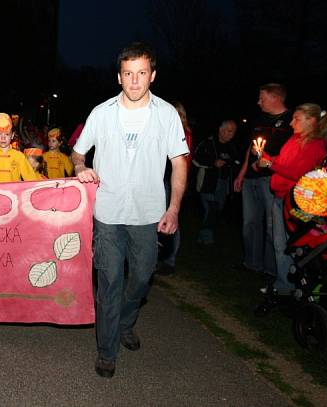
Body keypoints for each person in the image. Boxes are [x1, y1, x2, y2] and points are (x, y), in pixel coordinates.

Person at [72, 42, 189, 378]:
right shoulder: (101, 113)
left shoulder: (166, 115)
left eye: (141, 73)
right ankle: (107, 351)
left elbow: (179, 162)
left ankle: (125, 322)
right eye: (128, 74)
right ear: (118, 77)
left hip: (147, 215)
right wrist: (80, 168)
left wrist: (174, 208)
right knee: (108, 281)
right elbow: (78, 154)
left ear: (152, 75)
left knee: (140, 278)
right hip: (107, 213)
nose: (134, 80)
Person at [257, 103, 327, 298]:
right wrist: (263, 156)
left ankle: (290, 287)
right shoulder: (295, 139)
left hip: (294, 201)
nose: (291, 122)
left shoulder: (315, 146)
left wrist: (271, 164)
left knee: (289, 245)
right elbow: (282, 162)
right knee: (279, 243)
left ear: (312, 121)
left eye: (296, 119)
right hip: (280, 197)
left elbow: (300, 173)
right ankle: (283, 284)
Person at [233, 83, 293, 276]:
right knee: (250, 222)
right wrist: (242, 173)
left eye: (262, 98)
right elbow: (249, 149)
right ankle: (252, 263)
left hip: (271, 180)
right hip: (250, 179)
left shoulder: (291, 121)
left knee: (271, 226)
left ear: (276, 98)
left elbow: (289, 155)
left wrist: (266, 162)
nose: (258, 102)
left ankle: (271, 269)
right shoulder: (259, 120)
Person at [155, 101, 193, 275]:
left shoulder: (184, 133)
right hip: (159, 179)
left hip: (171, 181)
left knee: (170, 217)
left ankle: (169, 260)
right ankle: (155, 256)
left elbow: (183, 163)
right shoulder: (161, 129)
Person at [192, 119, 239, 245]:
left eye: (234, 131)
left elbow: (236, 163)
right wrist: (213, 163)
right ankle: (207, 240)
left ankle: (202, 236)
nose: (232, 134)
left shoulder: (232, 147)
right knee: (211, 209)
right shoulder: (208, 143)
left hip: (223, 183)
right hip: (208, 183)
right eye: (229, 131)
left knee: (217, 210)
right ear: (221, 130)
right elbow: (195, 159)